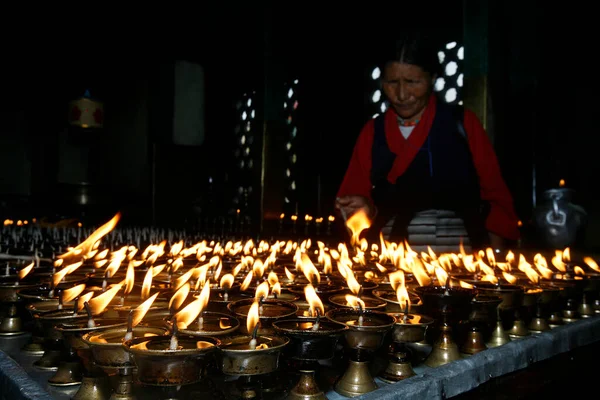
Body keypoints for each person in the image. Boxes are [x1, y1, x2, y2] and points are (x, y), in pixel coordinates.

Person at [335, 32, 520, 253]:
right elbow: (353, 210)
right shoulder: (372, 133)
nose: (402, 94)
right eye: (392, 82)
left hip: (462, 263)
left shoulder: (463, 125)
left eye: (413, 82)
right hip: (394, 264)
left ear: (433, 79)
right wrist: (362, 211)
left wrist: (496, 265)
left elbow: (496, 201)